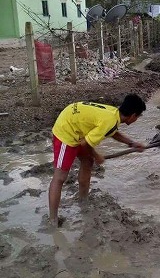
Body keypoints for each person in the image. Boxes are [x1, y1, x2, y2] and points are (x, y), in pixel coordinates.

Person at [49, 93, 146, 226]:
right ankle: (53, 220)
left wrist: (131, 143)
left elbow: (112, 132)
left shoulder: (114, 114)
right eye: (138, 116)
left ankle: (83, 200)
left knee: (87, 162)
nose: (137, 119)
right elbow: (86, 144)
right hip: (67, 130)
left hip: (78, 128)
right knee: (60, 176)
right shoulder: (109, 120)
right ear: (133, 115)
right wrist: (97, 156)